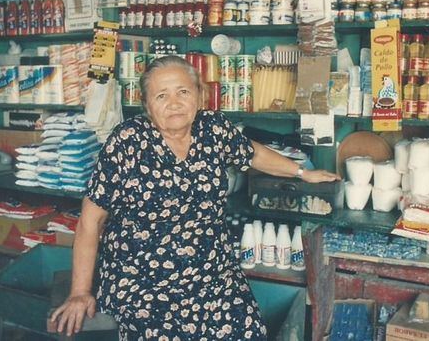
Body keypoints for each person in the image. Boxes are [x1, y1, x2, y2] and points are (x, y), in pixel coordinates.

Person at [50, 56, 338, 340]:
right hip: (143, 278)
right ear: (147, 105)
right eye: (161, 95)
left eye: (183, 91)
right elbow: (91, 220)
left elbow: (253, 153)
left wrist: (301, 172)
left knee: (248, 331)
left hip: (211, 270)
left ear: (200, 96)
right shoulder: (127, 141)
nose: (174, 103)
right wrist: (79, 292)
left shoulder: (213, 128)